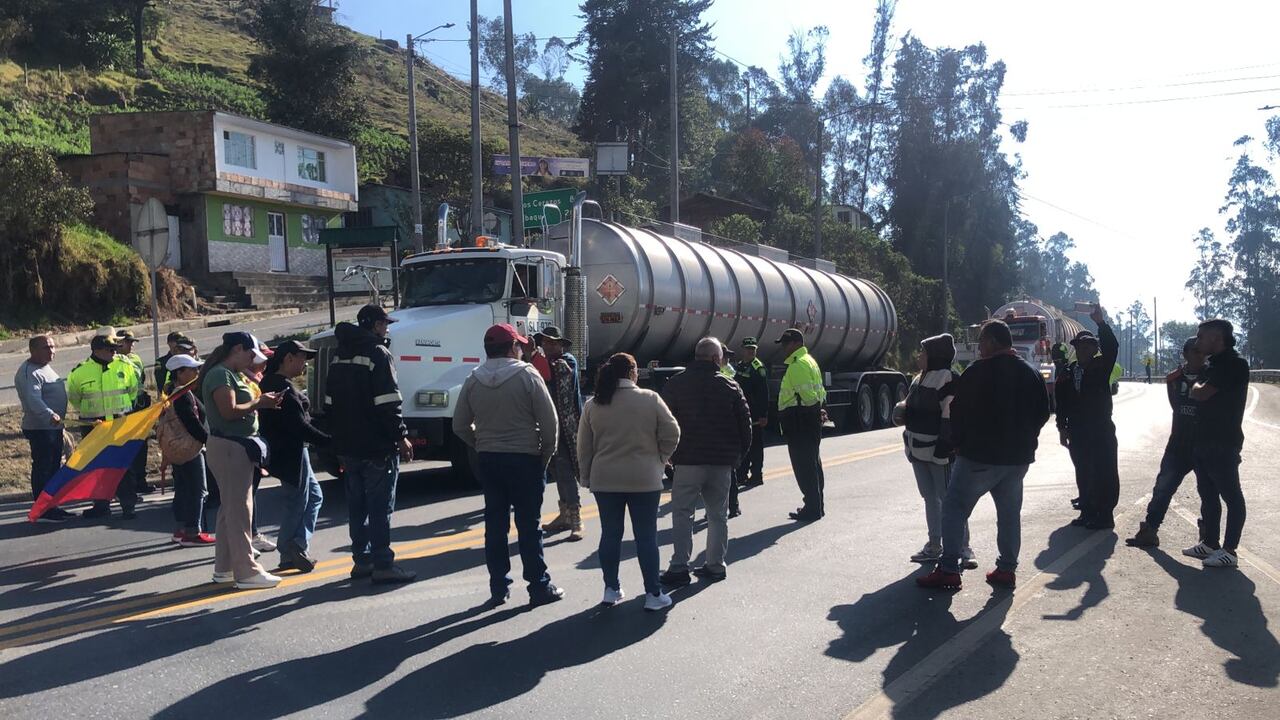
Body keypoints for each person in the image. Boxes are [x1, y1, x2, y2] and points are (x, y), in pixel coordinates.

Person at [917, 319, 1050, 590]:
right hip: (1017, 460)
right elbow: (1043, 412)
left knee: (954, 507)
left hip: (979, 457)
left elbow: (958, 412)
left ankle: (949, 569)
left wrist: (958, 443)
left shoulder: (977, 372)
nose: (979, 347)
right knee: (1009, 513)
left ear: (991, 342)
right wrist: (1025, 439)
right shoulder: (1031, 373)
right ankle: (1006, 570)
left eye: (981, 341)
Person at [453, 323, 565, 607]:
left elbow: (459, 425)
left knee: (495, 525)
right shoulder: (527, 375)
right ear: (512, 347)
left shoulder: (473, 379)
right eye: (519, 345)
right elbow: (550, 422)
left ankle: (498, 587)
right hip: (525, 456)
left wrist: (480, 442)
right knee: (529, 525)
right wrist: (546, 454)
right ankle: (538, 586)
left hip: (490, 457)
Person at [577, 353, 681, 611]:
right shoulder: (650, 399)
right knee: (646, 537)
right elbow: (672, 432)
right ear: (633, 372)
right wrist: (660, 459)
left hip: (605, 478)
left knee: (610, 534)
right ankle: (653, 593)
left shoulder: (594, 403)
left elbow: (584, 446)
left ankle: (611, 588)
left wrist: (587, 475)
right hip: (644, 477)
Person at [325, 304, 417, 584]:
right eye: (385, 324)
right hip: (377, 446)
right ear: (376, 325)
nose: (387, 328)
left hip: (349, 445)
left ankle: (361, 561)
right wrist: (400, 436)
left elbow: (330, 403)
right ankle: (383, 564)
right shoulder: (378, 353)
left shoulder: (340, 354)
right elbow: (389, 402)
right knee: (380, 507)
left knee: (357, 506)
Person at [659, 338, 752, 587]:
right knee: (717, 515)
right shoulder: (731, 386)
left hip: (687, 461)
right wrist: (738, 457)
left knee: (682, 514)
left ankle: (679, 567)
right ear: (715, 359)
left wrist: (667, 455)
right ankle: (715, 566)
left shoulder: (676, 384)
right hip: (721, 463)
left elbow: (663, 422)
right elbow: (746, 425)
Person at [200, 332, 283, 589]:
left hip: (233, 446)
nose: (251, 360)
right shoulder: (220, 374)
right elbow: (228, 411)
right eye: (249, 354)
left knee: (229, 510)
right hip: (230, 446)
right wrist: (260, 403)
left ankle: (224, 568)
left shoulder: (229, 373)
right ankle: (247, 571)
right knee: (239, 511)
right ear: (237, 349)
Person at [897, 334, 974, 567]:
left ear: (935, 355)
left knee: (949, 500)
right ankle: (934, 545)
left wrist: (943, 450)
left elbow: (949, 417)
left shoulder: (949, 379)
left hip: (938, 453)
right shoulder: (918, 379)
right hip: (917, 451)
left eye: (923, 352)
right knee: (929, 498)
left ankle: (964, 547)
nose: (919, 356)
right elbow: (909, 404)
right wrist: (900, 410)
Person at [1183, 319, 1250, 568]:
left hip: (1223, 441)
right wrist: (1199, 383)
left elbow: (1201, 393)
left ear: (1216, 338)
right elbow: (1200, 390)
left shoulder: (1235, 364)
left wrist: (1197, 385)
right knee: (1207, 495)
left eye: (1201, 337)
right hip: (1203, 439)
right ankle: (1209, 543)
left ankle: (1230, 550)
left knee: (1231, 496)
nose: (1197, 341)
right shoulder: (1212, 365)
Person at [259, 340, 331, 573]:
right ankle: (291, 548)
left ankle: (294, 548)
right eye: (302, 358)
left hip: (290, 450)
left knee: (313, 496)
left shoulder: (276, 383)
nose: (305, 364)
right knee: (298, 500)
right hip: (290, 452)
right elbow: (299, 426)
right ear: (288, 358)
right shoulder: (281, 388)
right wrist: (332, 442)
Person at [1126, 337, 1205, 548]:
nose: (1201, 355)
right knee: (1162, 487)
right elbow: (1175, 406)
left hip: (1205, 443)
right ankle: (1150, 530)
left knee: (1208, 492)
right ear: (1185, 354)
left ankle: (1208, 537)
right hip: (1178, 442)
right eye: (1196, 351)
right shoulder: (1173, 379)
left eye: (1203, 352)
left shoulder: (1213, 376)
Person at [1058, 306, 1121, 530]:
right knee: (1083, 470)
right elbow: (1062, 402)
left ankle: (1104, 514)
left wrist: (1100, 324)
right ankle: (1087, 510)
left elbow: (1112, 347)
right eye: (1080, 346)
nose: (1083, 349)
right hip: (1077, 431)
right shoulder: (1068, 371)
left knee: (1104, 471)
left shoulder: (1101, 367)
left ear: (1095, 349)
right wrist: (1062, 428)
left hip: (1100, 429)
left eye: (1088, 346)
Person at [67, 333, 141, 519]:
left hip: (120, 422)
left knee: (124, 466)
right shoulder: (80, 372)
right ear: (97, 350)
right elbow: (75, 398)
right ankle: (101, 505)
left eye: (115, 349)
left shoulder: (125, 366)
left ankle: (128, 505)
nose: (114, 353)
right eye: (110, 350)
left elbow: (133, 391)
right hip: (94, 425)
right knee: (97, 466)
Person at [15, 335, 72, 523]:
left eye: (53, 347)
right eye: (46, 347)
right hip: (41, 428)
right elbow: (33, 400)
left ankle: (52, 505)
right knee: (44, 468)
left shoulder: (44, 367)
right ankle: (43, 508)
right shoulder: (29, 372)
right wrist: (49, 415)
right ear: (33, 350)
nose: (52, 350)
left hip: (54, 428)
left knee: (54, 466)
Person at [535, 327, 585, 542]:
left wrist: (534, 358)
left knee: (565, 469)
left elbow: (560, 373)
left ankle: (576, 519)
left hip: (567, 427)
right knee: (555, 469)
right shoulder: (540, 364)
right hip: (547, 425)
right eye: (545, 343)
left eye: (553, 343)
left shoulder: (567, 361)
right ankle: (564, 514)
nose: (549, 346)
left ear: (561, 345)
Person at [775, 328, 828, 522]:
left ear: (797, 343)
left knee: (804, 467)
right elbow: (819, 392)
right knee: (813, 464)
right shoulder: (810, 361)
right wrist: (820, 410)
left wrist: (812, 411)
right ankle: (817, 505)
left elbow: (807, 396)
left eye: (786, 344)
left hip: (799, 422)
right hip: (809, 421)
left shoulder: (797, 365)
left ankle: (812, 508)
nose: (784, 348)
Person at [165, 354, 213, 546]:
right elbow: (191, 423)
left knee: (184, 489)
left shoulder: (173, 392)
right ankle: (193, 532)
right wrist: (209, 440)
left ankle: (182, 529)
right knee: (198, 490)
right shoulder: (182, 395)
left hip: (179, 449)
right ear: (179, 373)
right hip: (190, 449)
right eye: (192, 369)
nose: (197, 372)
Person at [734, 338, 769, 492]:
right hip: (743, 411)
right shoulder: (741, 366)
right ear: (743, 349)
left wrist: (763, 414)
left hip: (755, 413)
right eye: (748, 348)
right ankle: (742, 474)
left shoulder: (758, 367)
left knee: (755, 446)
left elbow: (763, 393)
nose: (751, 351)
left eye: (753, 349)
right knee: (744, 444)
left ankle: (756, 475)